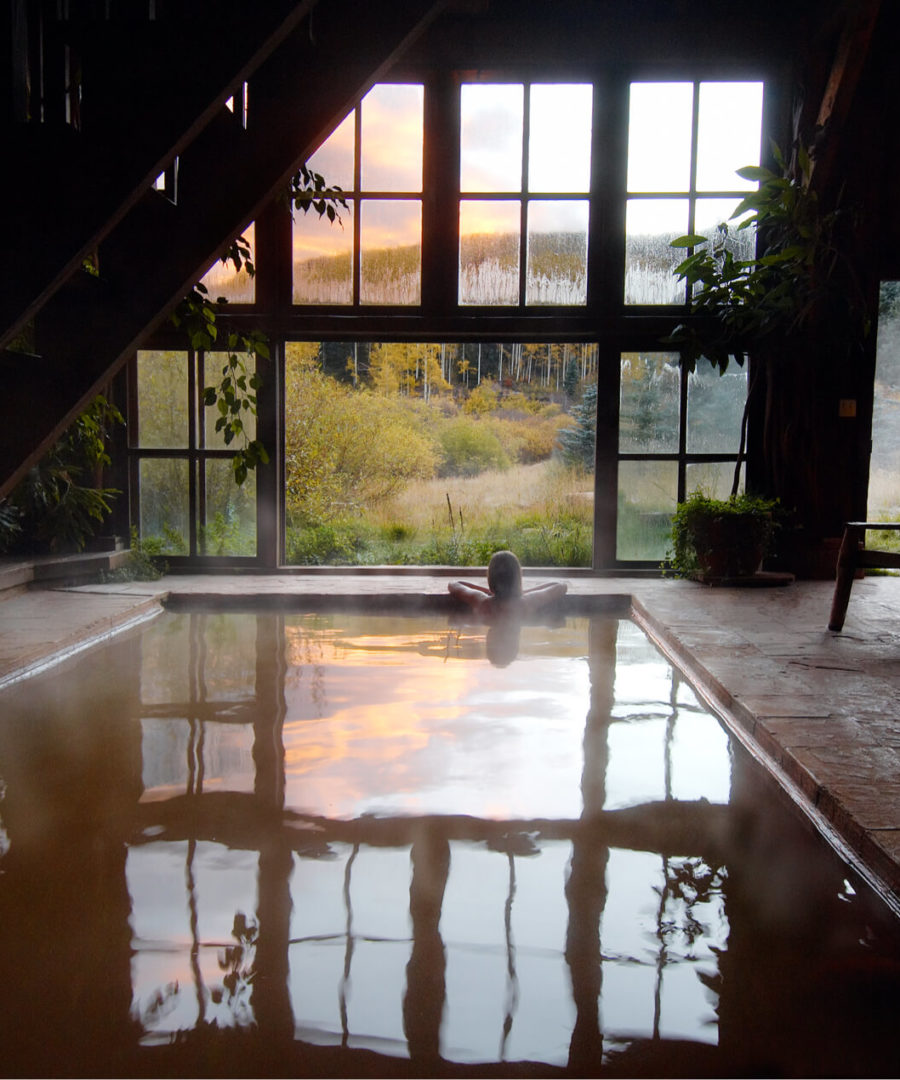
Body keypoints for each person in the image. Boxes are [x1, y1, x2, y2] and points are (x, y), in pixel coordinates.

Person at [447, 549, 567, 618]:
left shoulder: (481, 602)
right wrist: (522, 593)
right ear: (517, 578)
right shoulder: (527, 602)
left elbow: (454, 584)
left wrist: (488, 592)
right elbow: (561, 586)